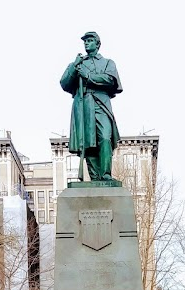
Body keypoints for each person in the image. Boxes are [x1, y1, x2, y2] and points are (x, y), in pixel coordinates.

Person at [60, 31, 122, 182]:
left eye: (90, 40)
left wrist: (88, 76)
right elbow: (64, 83)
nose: (86, 43)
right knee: (88, 143)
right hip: (83, 104)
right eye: (85, 41)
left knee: (105, 138)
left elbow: (110, 80)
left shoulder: (108, 63)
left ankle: (106, 174)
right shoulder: (78, 63)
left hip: (101, 103)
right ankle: (95, 178)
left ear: (97, 44)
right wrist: (74, 67)